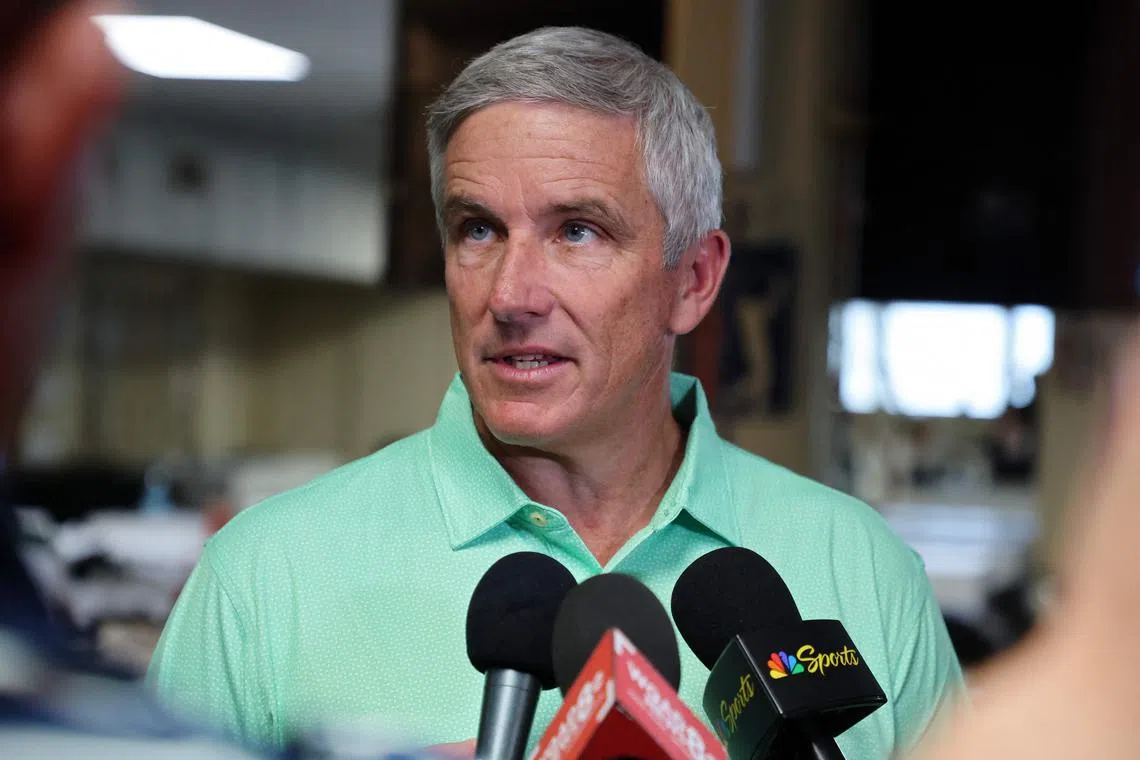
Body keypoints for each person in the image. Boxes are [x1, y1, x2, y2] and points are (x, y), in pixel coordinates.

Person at [12, 7, 1140, 760]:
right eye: (477, 230)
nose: (512, 290)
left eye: (579, 232)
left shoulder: (863, 573)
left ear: (693, 280)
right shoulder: (265, 577)